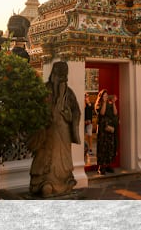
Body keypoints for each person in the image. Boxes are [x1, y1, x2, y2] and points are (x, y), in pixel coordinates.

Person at [28, 61, 81, 196]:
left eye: (64, 76)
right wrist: (45, 117)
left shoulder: (69, 93)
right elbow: (35, 109)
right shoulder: (44, 90)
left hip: (64, 132)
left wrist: (70, 117)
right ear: (53, 74)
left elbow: (76, 111)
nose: (61, 79)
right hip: (48, 131)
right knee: (47, 158)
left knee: (63, 161)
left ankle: (65, 181)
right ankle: (45, 183)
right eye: (59, 75)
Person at [94, 89, 118, 175]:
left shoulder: (110, 104)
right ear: (101, 96)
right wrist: (104, 102)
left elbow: (115, 113)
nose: (106, 97)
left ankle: (108, 165)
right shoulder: (98, 105)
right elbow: (102, 113)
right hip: (102, 130)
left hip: (110, 129)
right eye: (104, 96)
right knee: (102, 148)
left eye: (106, 96)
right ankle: (101, 167)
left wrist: (114, 102)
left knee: (110, 147)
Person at [83, 93, 95, 162]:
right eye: (85, 96)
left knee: (90, 135)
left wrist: (88, 103)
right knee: (84, 136)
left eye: (87, 97)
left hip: (89, 123)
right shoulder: (83, 104)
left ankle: (90, 149)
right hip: (83, 122)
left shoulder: (90, 104)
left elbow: (91, 111)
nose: (87, 98)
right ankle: (84, 149)